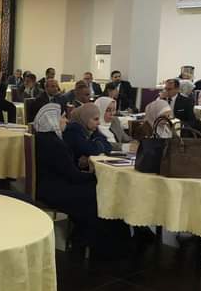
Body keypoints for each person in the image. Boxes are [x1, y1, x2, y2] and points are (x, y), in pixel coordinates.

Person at [32, 104, 131, 255]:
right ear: (52, 120)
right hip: (55, 190)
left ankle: (94, 238)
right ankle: (92, 240)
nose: (66, 120)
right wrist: (96, 176)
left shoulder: (44, 138)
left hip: (48, 186)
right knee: (99, 192)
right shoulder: (55, 144)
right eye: (62, 117)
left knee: (98, 188)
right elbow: (73, 175)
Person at [62, 103, 113, 167]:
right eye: (95, 119)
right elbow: (90, 149)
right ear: (85, 118)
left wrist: (90, 154)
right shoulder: (72, 130)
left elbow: (109, 146)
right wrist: (98, 145)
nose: (99, 123)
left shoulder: (91, 129)